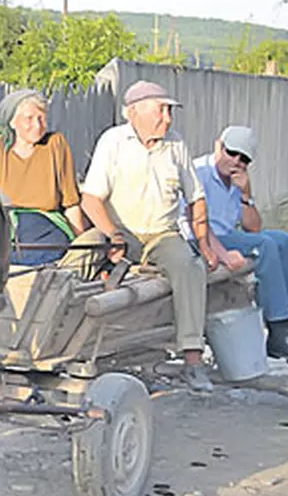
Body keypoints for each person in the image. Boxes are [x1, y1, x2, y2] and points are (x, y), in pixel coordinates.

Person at [74, 80, 219, 393]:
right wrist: (112, 234)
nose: (168, 118)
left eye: (169, 112)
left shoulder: (175, 144)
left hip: (161, 234)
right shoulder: (113, 141)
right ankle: (61, 335)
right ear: (133, 113)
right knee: (80, 254)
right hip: (119, 232)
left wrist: (205, 245)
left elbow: (196, 197)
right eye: (161, 111)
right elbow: (91, 199)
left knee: (190, 267)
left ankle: (193, 359)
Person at [193, 125, 288, 359]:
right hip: (201, 237)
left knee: (282, 240)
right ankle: (277, 330)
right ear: (219, 146)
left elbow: (253, 227)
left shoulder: (236, 179)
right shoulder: (199, 172)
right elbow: (192, 222)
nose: (236, 162)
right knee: (265, 246)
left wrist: (246, 195)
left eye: (244, 159)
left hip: (227, 235)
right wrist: (222, 254)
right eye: (231, 153)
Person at [0, 89, 86, 265]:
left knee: (52, 247)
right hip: (5, 226)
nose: (37, 125)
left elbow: (71, 202)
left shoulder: (55, 144)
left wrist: (81, 246)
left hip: (47, 226)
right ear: (12, 122)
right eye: (29, 118)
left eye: (42, 118)